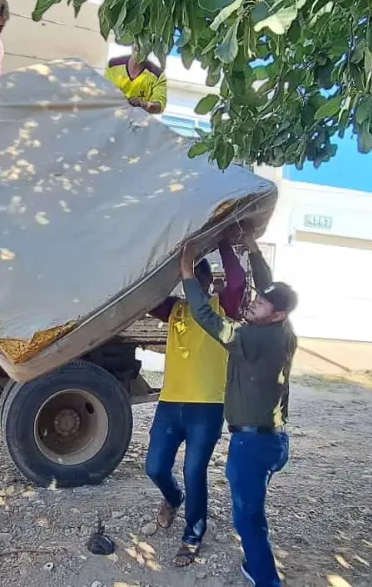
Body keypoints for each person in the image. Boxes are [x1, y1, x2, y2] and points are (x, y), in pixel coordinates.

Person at [180, 232, 298, 587]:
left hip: (252, 447)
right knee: (251, 510)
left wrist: (187, 273)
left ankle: (265, 579)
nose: (252, 304)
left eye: (260, 304)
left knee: (248, 518)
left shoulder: (252, 338)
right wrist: (254, 250)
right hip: (273, 441)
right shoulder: (284, 328)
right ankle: (256, 562)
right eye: (257, 299)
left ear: (275, 314)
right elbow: (267, 287)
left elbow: (206, 316)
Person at [145, 230, 246, 567]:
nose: (193, 284)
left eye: (198, 276)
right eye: (188, 276)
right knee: (155, 466)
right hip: (170, 404)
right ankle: (173, 499)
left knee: (194, 469)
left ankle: (193, 534)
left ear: (206, 281)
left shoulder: (223, 309)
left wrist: (222, 241)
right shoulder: (174, 310)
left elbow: (237, 282)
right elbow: (146, 294)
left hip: (206, 407)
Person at [104, 47, 167, 114]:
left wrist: (143, 104)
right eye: (137, 38)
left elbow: (160, 106)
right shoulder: (113, 64)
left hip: (136, 122)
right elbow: (103, 93)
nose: (140, 44)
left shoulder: (158, 75)